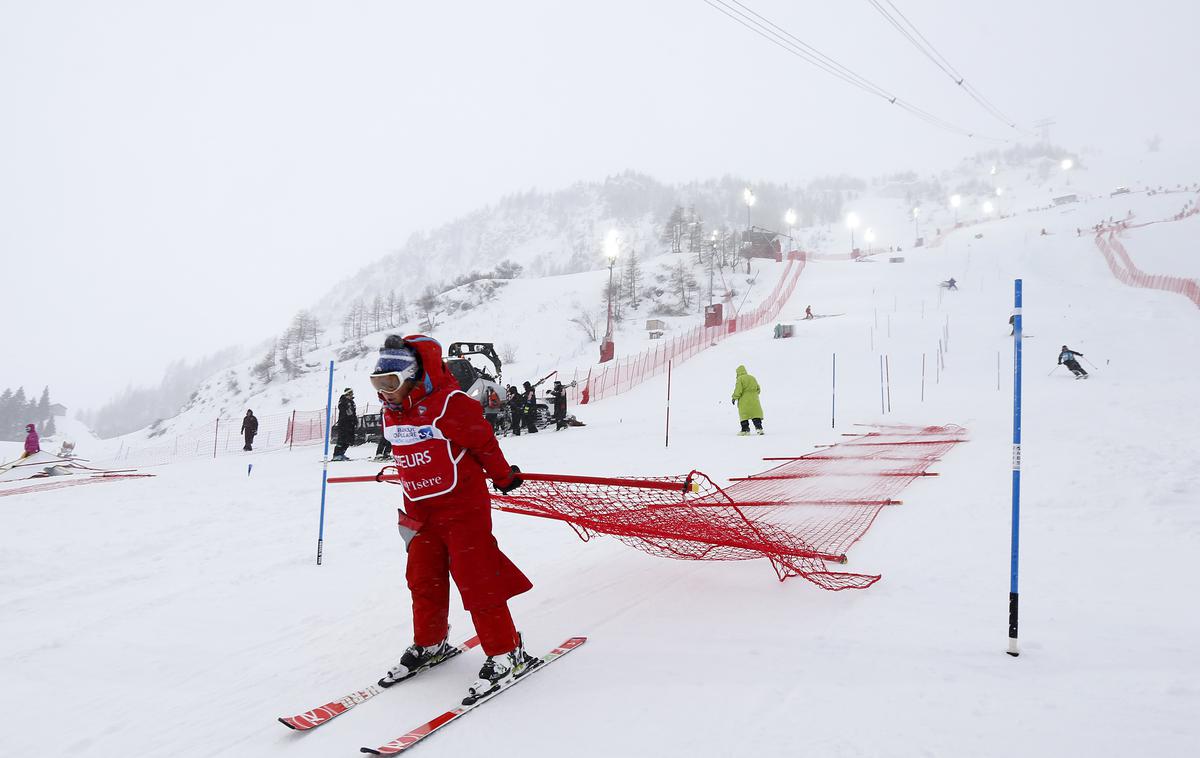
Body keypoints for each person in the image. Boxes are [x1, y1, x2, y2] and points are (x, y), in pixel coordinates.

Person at [369, 334, 535, 702]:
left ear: (418, 375)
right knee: (422, 579)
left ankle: (507, 651)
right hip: (419, 510)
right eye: (378, 384)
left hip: (462, 508)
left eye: (391, 383)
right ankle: (430, 643)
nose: (385, 393)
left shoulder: (451, 404)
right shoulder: (391, 411)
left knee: (477, 579)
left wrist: (504, 475)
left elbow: (484, 443)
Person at [731, 365, 764, 436]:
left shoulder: (740, 379)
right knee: (755, 413)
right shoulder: (752, 377)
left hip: (744, 400)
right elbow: (758, 389)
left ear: (738, 373)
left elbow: (738, 390)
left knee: (744, 414)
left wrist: (734, 397)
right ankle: (759, 428)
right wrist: (754, 394)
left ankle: (745, 430)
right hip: (754, 399)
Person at [332, 388, 357, 461]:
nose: (352, 395)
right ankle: (336, 454)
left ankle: (342, 453)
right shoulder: (343, 401)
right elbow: (342, 409)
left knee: (348, 440)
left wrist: (355, 420)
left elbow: (353, 412)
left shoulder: (352, 402)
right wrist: (346, 403)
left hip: (350, 423)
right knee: (342, 439)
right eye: (350, 394)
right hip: (344, 424)